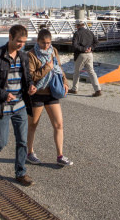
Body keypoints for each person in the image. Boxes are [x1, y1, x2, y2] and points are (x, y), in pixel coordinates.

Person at [0, 25, 37, 186]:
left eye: (24, 42)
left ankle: (21, 173)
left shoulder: (24, 57)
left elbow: (27, 78)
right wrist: (4, 94)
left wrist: (31, 86)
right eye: (19, 41)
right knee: (1, 142)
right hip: (2, 107)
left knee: (22, 142)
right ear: (10, 37)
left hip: (20, 106)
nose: (21, 45)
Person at [26, 29, 73, 166]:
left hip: (52, 93)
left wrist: (65, 82)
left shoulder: (53, 51)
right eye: (43, 43)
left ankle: (60, 156)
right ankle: (30, 152)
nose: (46, 46)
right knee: (33, 125)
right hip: (37, 94)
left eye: (48, 43)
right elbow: (32, 77)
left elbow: (59, 68)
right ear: (37, 41)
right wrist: (47, 67)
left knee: (59, 124)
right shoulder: (31, 55)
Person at [71, 20, 101, 96]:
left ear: (77, 26)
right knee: (91, 72)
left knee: (77, 72)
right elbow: (96, 42)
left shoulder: (77, 33)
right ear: (83, 25)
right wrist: (91, 48)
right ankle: (98, 90)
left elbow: (74, 45)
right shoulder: (90, 32)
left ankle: (74, 89)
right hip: (90, 54)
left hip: (81, 55)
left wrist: (83, 49)